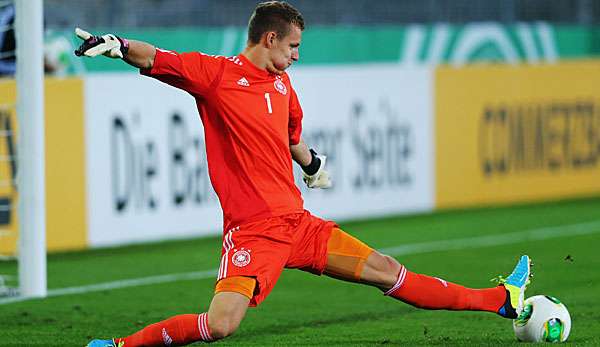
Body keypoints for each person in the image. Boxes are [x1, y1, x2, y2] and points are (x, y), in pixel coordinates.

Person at [76, 2, 531, 346]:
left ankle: (500, 300)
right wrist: (118, 46)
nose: (296, 55)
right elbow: (158, 58)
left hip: (299, 226)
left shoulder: (283, 85)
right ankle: (118, 346)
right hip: (254, 233)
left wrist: (312, 166)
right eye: (293, 46)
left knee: (386, 270)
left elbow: (292, 139)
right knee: (221, 324)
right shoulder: (217, 75)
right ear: (269, 38)